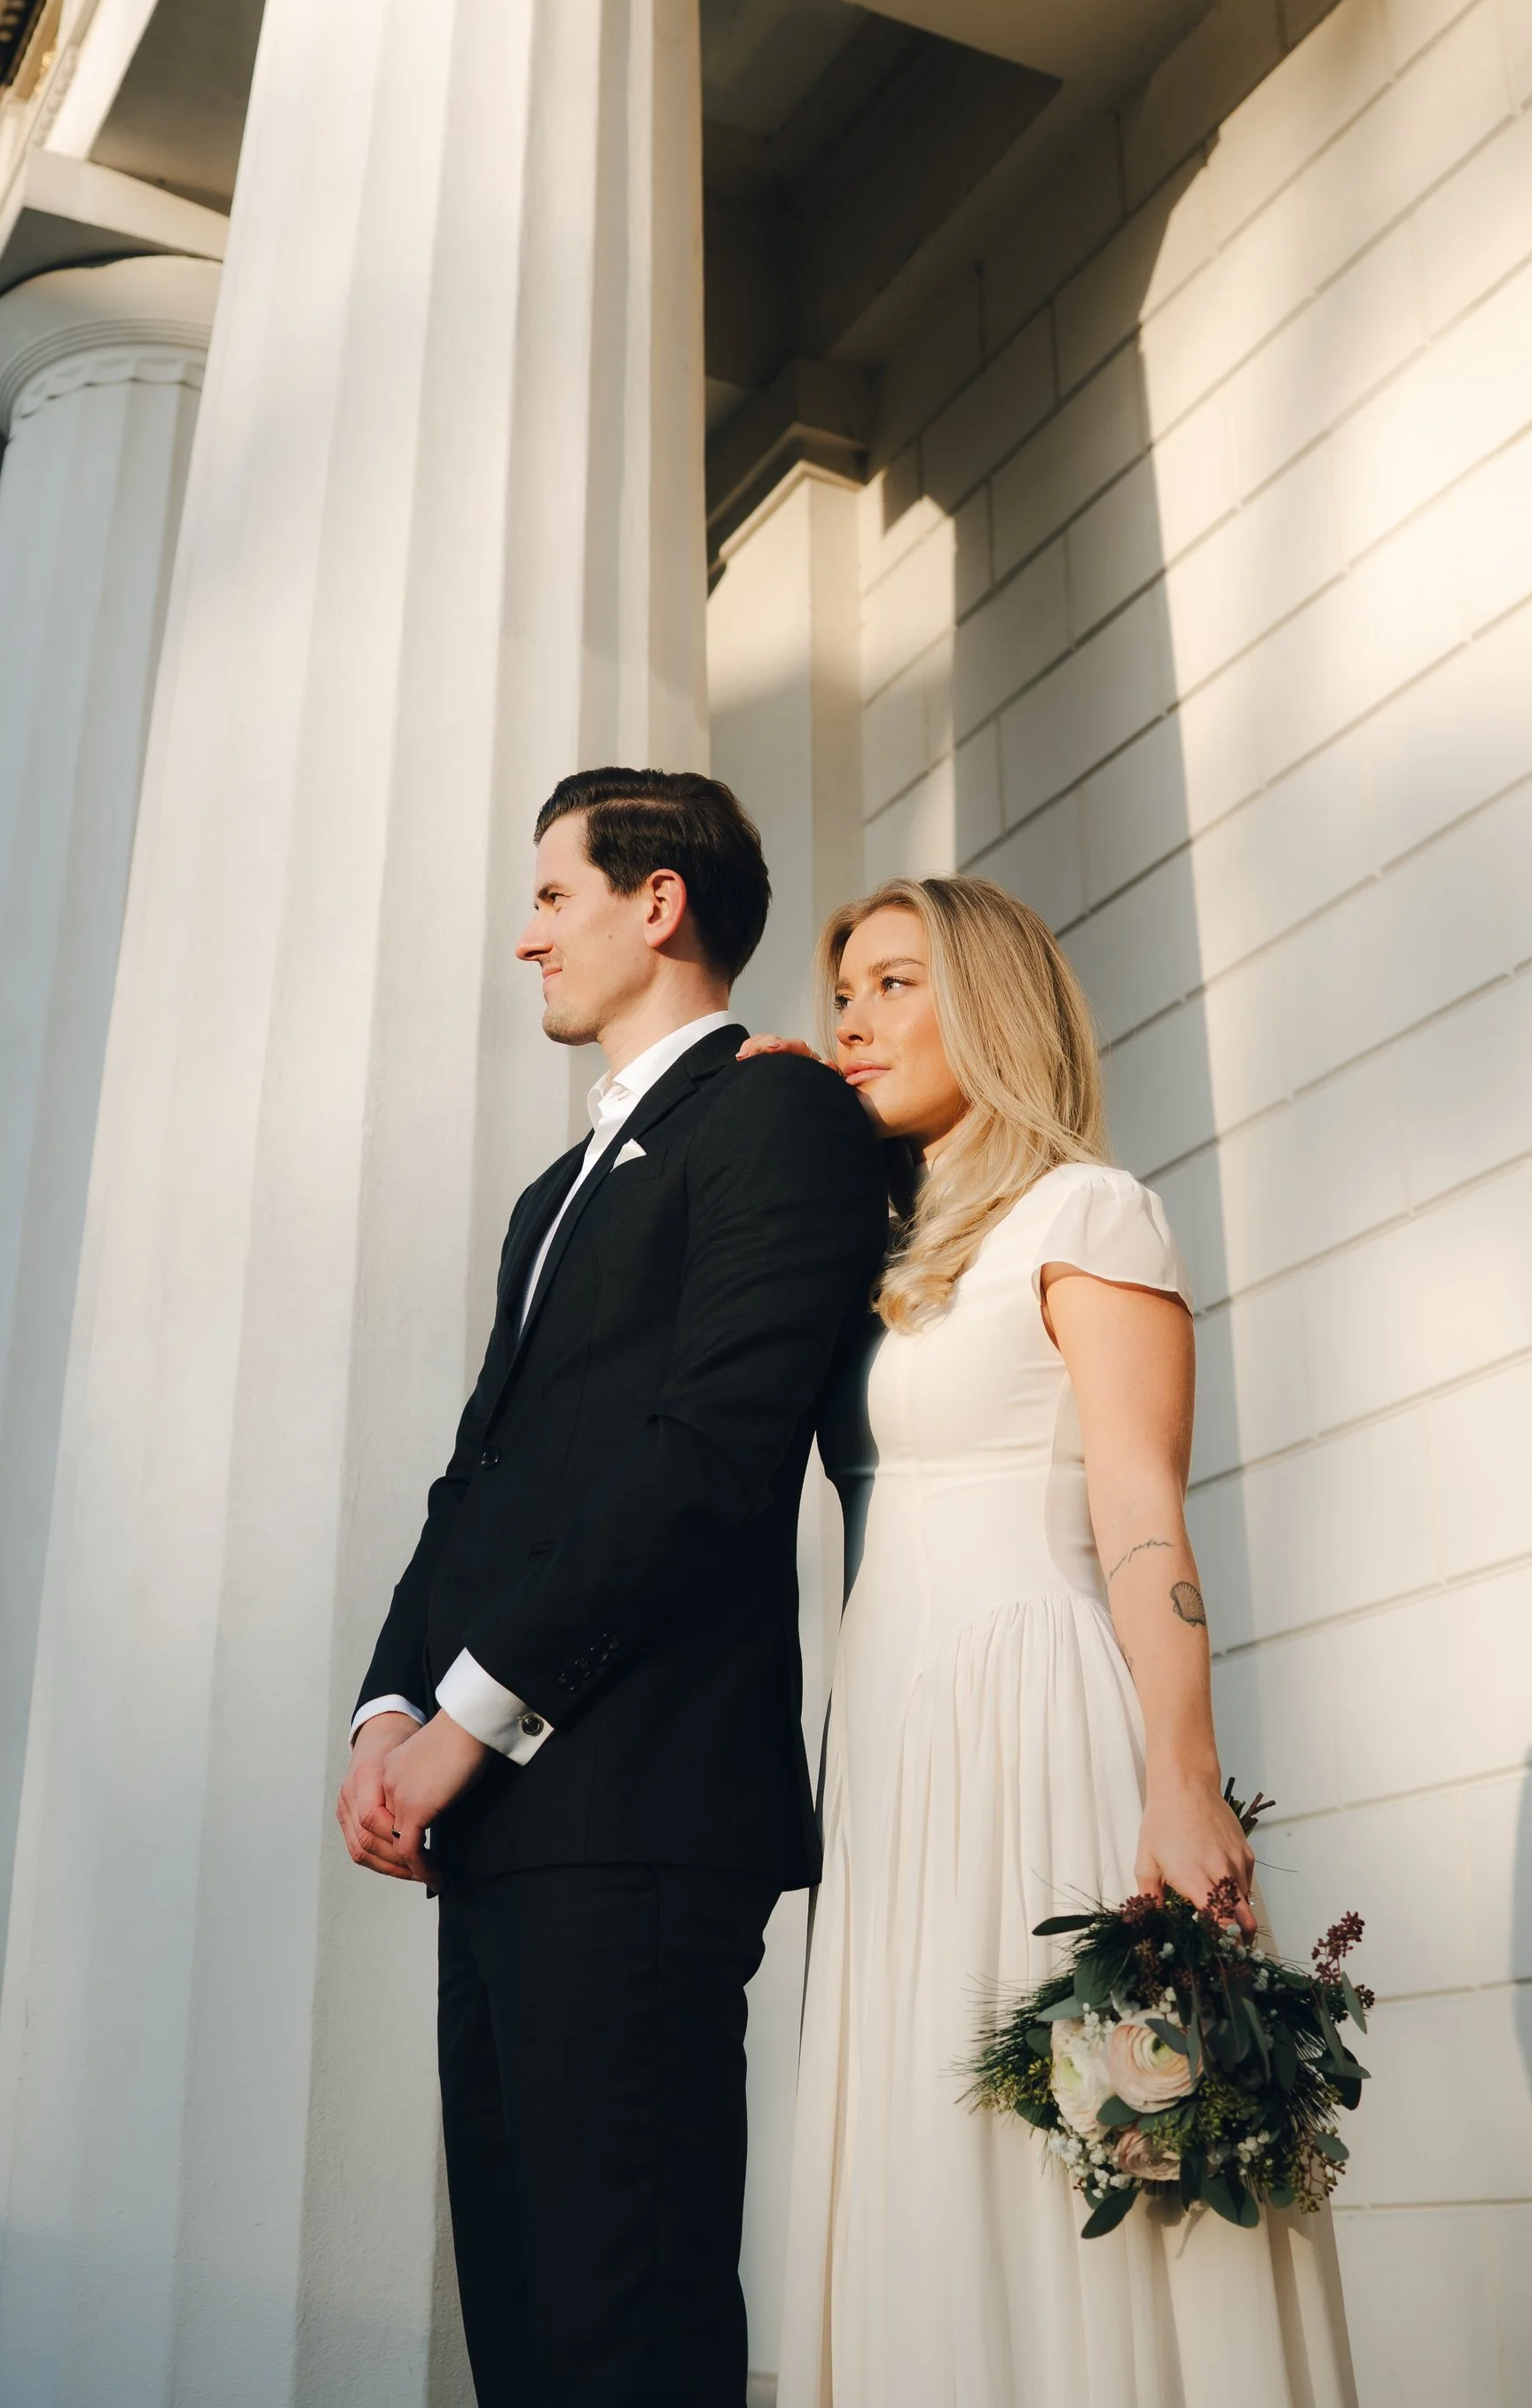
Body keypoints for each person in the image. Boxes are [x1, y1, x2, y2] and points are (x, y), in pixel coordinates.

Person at [336, 767, 889, 2408]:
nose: (528, 939)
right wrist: (386, 1703)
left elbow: (710, 1459)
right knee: (521, 2324)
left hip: (640, 1806)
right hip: (499, 1818)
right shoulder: (547, 1195)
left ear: (660, 905)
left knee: (621, 2327)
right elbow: (479, 1476)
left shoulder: (778, 1115)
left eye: (554, 895)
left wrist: (471, 1715)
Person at [766, 875, 1355, 2408]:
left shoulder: (1089, 1212)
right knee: (921, 2148)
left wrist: (1185, 1776)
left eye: (896, 982)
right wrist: (750, 1113)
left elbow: (1144, 1513)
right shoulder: (885, 1249)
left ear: (995, 1006)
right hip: (888, 1741)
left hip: (1026, 1714)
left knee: (1060, 2168)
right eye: (844, 990)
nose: (852, 1016)